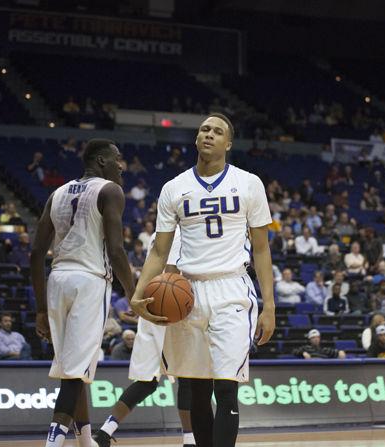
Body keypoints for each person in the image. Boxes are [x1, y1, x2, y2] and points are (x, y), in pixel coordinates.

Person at [129, 114, 275, 447]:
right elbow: (159, 249)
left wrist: (270, 305)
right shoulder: (174, 188)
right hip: (186, 290)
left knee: (226, 387)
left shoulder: (249, 183)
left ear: (228, 143)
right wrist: (138, 293)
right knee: (196, 389)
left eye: (218, 131)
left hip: (232, 288)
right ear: (196, 138)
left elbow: (263, 249)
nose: (209, 134)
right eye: (204, 129)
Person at [30, 139, 137, 447]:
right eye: (118, 159)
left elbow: (37, 254)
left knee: (73, 370)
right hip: (89, 280)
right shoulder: (110, 191)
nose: (122, 165)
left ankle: (86, 441)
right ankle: (53, 443)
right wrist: (131, 291)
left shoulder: (57, 193)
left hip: (58, 279)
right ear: (102, 161)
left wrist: (40, 309)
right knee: (75, 374)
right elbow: (116, 250)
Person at [94, 229, 196, 447]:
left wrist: (139, 299)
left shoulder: (156, 233)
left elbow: (151, 273)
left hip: (150, 308)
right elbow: (171, 273)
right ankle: (189, 440)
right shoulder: (180, 231)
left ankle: (104, 432)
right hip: (169, 313)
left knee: (146, 382)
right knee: (187, 378)